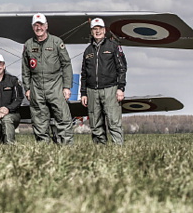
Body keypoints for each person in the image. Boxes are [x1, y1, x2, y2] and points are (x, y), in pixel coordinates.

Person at [21, 13, 74, 144]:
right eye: (35, 25)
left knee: (63, 117)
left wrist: (67, 87)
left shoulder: (57, 42)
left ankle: (67, 147)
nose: (38, 28)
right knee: (39, 120)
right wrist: (27, 89)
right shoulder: (28, 45)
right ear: (32, 27)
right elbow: (26, 69)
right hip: (37, 86)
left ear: (46, 26)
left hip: (55, 85)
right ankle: (43, 147)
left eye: (41, 25)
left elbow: (66, 64)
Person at [80, 17, 127, 145]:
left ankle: (119, 149)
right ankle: (100, 150)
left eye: (100, 28)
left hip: (110, 89)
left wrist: (120, 88)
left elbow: (122, 68)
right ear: (91, 31)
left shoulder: (113, 46)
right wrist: (83, 92)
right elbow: (83, 73)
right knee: (95, 124)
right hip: (92, 91)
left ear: (104, 30)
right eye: (95, 29)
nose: (97, 31)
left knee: (114, 122)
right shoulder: (88, 51)